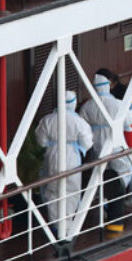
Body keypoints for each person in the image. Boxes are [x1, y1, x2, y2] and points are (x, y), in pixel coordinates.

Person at [80, 72, 132, 221]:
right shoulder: (117, 104)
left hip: (97, 149)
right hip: (115, 146)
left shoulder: (87, 106)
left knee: (100, 177)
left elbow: (82, 127)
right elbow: (129, 120)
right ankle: (117, 197)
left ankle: (103, 199)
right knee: (125, 172)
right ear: (108, 86)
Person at [35, 90, 93, 231]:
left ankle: (56, 224)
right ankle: (68, 223)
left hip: (52, 157)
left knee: (53, 191)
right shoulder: (79, 121)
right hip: (72, 157)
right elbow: (87, 142)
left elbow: (40, 141)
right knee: (72, 190)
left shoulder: (47, 119)